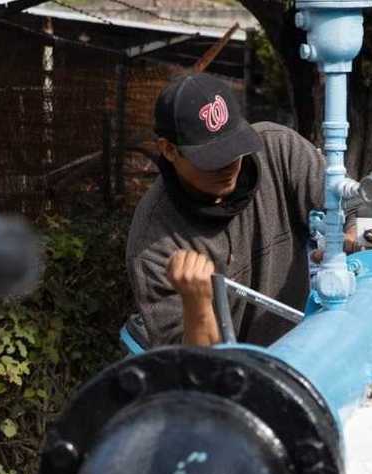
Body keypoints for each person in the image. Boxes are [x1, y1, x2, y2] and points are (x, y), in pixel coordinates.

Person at [126, 73, 356, 348]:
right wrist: (196, 303)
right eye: (212, 158)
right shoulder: (154, 244)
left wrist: (352, 232)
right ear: (169, 150)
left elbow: (353, 205)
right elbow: (195, 364)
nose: (228, 165)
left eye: (234, 148)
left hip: (304, 349)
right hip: (236, 372)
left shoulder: (279, 150)